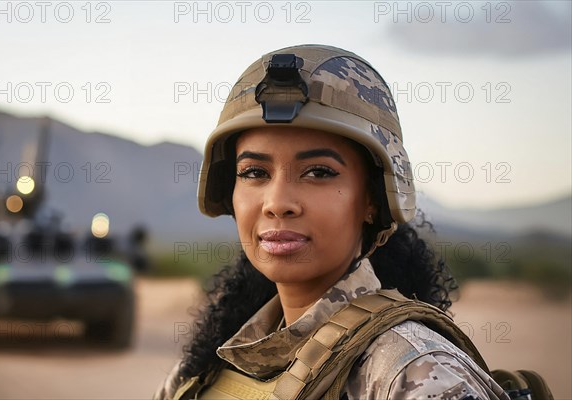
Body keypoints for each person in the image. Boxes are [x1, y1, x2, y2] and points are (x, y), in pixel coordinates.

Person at [154, 45, 509, 400]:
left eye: (319, 172)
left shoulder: (414, 375)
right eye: (254, 172)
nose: (277, 203)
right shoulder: (212, 365)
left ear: (372, 199)